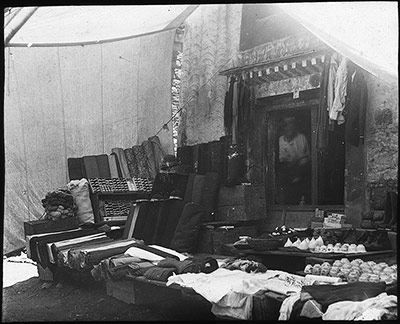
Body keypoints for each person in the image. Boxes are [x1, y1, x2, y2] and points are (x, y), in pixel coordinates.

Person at [277, 117, 310, 204]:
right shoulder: (280, 139)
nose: (289, 129)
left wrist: (300, 161)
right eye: (287, 126)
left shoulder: (301, 138)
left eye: (291, 126)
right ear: (283, 128)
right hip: (285, 168)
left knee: (298, 187)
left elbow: (308, 155)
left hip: (299, 167)